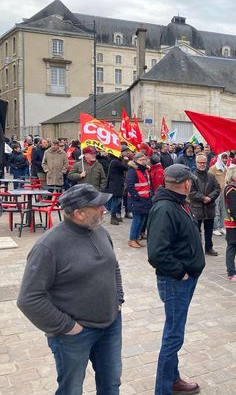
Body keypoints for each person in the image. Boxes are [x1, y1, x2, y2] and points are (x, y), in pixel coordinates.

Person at [17, 183, 123, 395]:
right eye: (98, 206)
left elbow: (114, 266)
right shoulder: (48, 246)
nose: (104, 209)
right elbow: (29, 299)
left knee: (111, 385)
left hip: (110, 325)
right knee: (71, 390)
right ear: (79, 213)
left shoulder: (100, 230)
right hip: (74, 335)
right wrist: (68, 327)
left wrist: (118, 299)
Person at [147, 164, 205, 395]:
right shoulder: (165, 208)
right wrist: (180, 272)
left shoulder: (179, 203)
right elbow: (157, 252)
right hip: (175, 281)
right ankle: (163, 389)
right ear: (186, 183)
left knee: (175, 332)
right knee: (173, 336)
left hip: (185, 278)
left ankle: (173, 378)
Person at [189, 154, 221, 256]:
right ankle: (197, 249)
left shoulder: (211, 176)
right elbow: (191, 191)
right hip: (197, 208)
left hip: (209, 207)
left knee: (209, 230)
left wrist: (210, 197)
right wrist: (203, 198)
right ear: (196, 163)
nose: (202, 164)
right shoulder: (192, 176)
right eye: (200, 162)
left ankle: (209, 248)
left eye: (204, 162)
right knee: (196, 231)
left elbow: (217, 188)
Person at [126, 152, 153, 248]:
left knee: (142, 220)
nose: (143, 161)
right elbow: (130, 186)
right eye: (141, 160)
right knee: (137, 220)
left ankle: (136, 238)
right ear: (136, 161)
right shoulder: (132, 171)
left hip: (145, 199)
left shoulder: (145, 170)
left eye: (144, 159)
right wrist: (136, 197)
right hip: (137, 200)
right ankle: (132, 239)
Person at [105, 150, 130, 225]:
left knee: (116, 200)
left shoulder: (114, 161)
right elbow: (126, 168)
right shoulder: (116, 162)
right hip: (116, 184)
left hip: (115, 184)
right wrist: (126, 160)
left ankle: (114, 216)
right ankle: (113, 216)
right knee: (116, 201)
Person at [209, 152, 229, 237]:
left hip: (224, 191)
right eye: (223, 158)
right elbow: (209, 180)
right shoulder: (213, 168)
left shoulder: (226, 168)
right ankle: (215, 228)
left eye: (226, 158)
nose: (224, 160)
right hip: (216, 192)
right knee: (216, 210)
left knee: (223, 210)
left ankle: (222, 226)